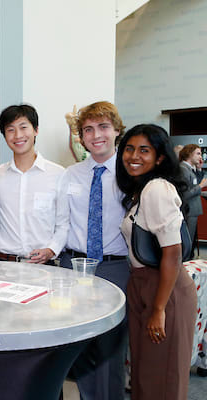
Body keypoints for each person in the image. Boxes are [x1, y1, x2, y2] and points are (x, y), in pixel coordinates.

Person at [116, 124, 197, 400]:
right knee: (146, 374)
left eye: (144, 150)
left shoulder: (157, 189)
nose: (133, 156)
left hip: (164, 289)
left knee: (162, 379)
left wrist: (159, 309)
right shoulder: (142, 190)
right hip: (144, 284)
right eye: (128, 149)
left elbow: (172, 253)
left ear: (159, 157)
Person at [57, 101, 129, 400]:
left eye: (103, 127)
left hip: (115, 267)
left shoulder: (129, 173)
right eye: (88, 129)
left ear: (116, 131)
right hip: (73, 267)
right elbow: (62, 223)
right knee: (79, 345)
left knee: (110, 347)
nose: (95, 135)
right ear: (81, 137)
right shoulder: (70, 175)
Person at [0, 104, 68, 265]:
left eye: (23, 127)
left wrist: (51, 249)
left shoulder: (58, 174)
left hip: (43, 265)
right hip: (3, 264)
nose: (18, 135)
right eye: (10, 130)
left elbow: (64, 223)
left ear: (36, 130)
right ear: (4, 135)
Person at [178, 144, 207, 256]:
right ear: (189, 154)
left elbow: (194, 185)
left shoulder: (189, 169)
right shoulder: (183, 170)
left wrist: (199, 169)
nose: (201, 157)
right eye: (198, 154)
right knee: (187, 242)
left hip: (192, 211)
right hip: (188, 210)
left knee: (190, 241)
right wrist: (201, 186)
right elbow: (184, 194)